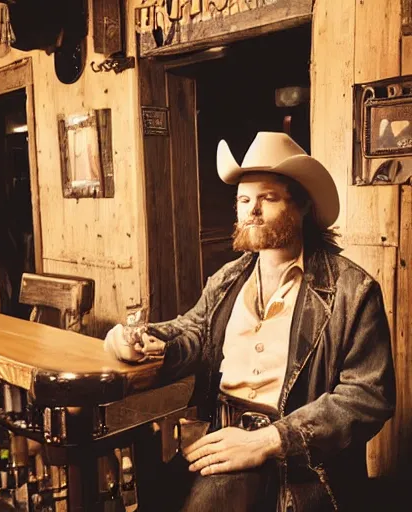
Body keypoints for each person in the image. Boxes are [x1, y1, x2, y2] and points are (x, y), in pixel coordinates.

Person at [104, 132, 396, 511]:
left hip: (300, 464)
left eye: (267, 198)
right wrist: (138, 338)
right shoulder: (227, 278)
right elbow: (195, 330)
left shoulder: (352, 291)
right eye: (244, 200)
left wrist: (271, 440)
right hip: (219, 437)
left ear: (303, 205)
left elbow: (367, 396)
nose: (251, 210)